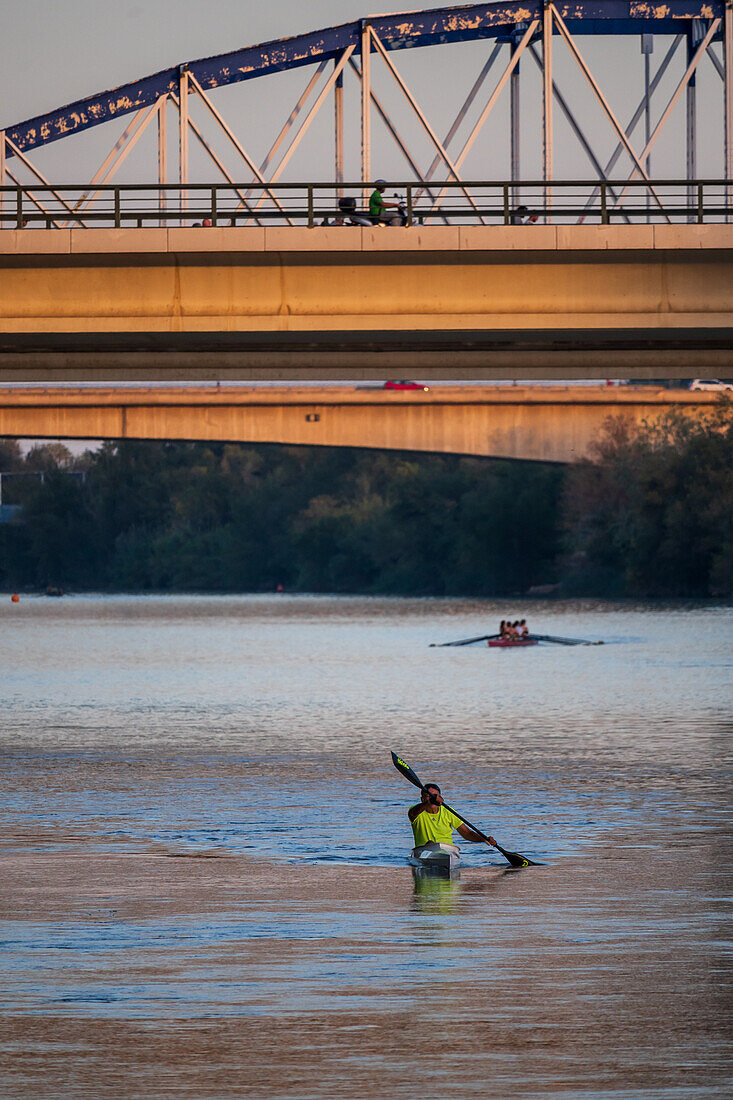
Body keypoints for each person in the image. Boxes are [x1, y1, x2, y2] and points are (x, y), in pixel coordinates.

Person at [408, 783, 490, 849]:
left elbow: (467, 833)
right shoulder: (415, 811)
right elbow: (413, 813)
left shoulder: (448, 811)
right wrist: (431, 801)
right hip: (424, 850)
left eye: (434, 796)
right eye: (428, 796)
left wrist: (483, 839)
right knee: (430, 843)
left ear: (440, 798)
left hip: (447, 850)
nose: (432, 798)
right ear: (422, 799)